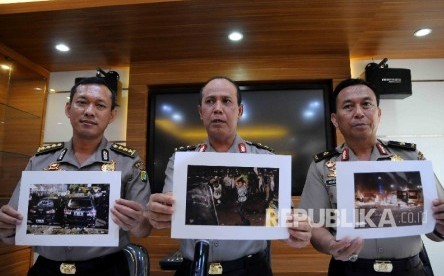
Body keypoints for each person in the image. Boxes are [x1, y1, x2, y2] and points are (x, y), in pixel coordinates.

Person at [146, 76, 312, 276]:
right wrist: (158, 213)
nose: (217, 108)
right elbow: (171, 211)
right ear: (200, 112)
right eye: (210, 101)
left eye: (226, 101)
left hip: (249, 269)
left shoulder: (264, 159)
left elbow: (283, 220)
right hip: (194, 268)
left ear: (239, 111)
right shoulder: (182, 160)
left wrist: (294, 231)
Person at [299, 78, 444, 276]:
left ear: (378, 113)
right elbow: (315, 224)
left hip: (409, 269)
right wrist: (331, 245)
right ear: (335, 119)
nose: (359, 113)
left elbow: (437, 224)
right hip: (350, 269)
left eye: (366, 104)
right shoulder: (323, 167)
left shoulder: (410, 158)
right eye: (348, 106)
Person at [0, 76, 152, 276]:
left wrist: (137, 221)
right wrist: (6, 225)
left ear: (112, 115)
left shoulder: (129, 162)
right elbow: (11, 233)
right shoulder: (40, 161)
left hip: (106, 269)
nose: (89, 111)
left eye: (100, 105)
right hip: (47, 268)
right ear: (68, 109)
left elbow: (144, 230)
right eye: (82, 102)